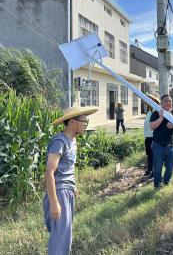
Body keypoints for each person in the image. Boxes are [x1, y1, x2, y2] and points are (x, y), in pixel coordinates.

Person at [43, 106, 97, 255]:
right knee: (60, 240)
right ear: (73, 122)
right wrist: (54, 203)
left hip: (68, 191)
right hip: (59, 193)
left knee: (64, 235)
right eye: (83, 121)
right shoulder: (59, 142)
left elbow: (67, 168)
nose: (85, 125)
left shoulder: (72, 140)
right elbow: (49, 173)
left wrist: (73, 186)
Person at [150, 94, 173, 189]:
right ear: (161, 103)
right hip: (158, 145)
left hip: (170, 145)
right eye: (166, 101)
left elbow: (171, 126)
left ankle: (166, 182)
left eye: (170, 101)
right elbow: (152, 126)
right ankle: (157, 185)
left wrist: (169, 117)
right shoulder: (155, 113)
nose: (168, 103)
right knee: (157, 168)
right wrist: (161, 118)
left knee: (170, 168)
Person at [143, 93, 160, 177]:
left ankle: (154, 172)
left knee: (153, 154)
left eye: (150, 99)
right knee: (149, 154)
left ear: (154, 101)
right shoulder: (149, 110)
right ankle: (149, 170)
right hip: (147, 135)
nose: (147, 100)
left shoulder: (155, 110)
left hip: (152, 135)